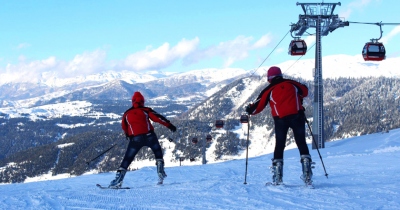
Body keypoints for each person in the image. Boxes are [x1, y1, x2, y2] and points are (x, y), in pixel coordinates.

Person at [245, 66, 314, 186]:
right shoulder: (292, 84)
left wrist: (250, 110)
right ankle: (307, 173)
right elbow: (305, 91)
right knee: (301, 142)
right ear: (280, 75)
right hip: (297, 116)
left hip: (280, 120)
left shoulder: (269, 90)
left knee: (279, 145)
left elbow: (258, 106)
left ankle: (277, 178)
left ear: (269, 78)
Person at [109, 91, 177, 188]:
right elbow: (158, 119)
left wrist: (128, 134)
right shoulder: (146, 110)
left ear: (132, 101)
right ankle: (160, 172)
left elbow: (124, 127)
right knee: (158, 153)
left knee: (127, 159)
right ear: (143, 101)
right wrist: (170, 126)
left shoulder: (127, 114)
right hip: (150, 136)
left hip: (135, 139)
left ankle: (118, 180)